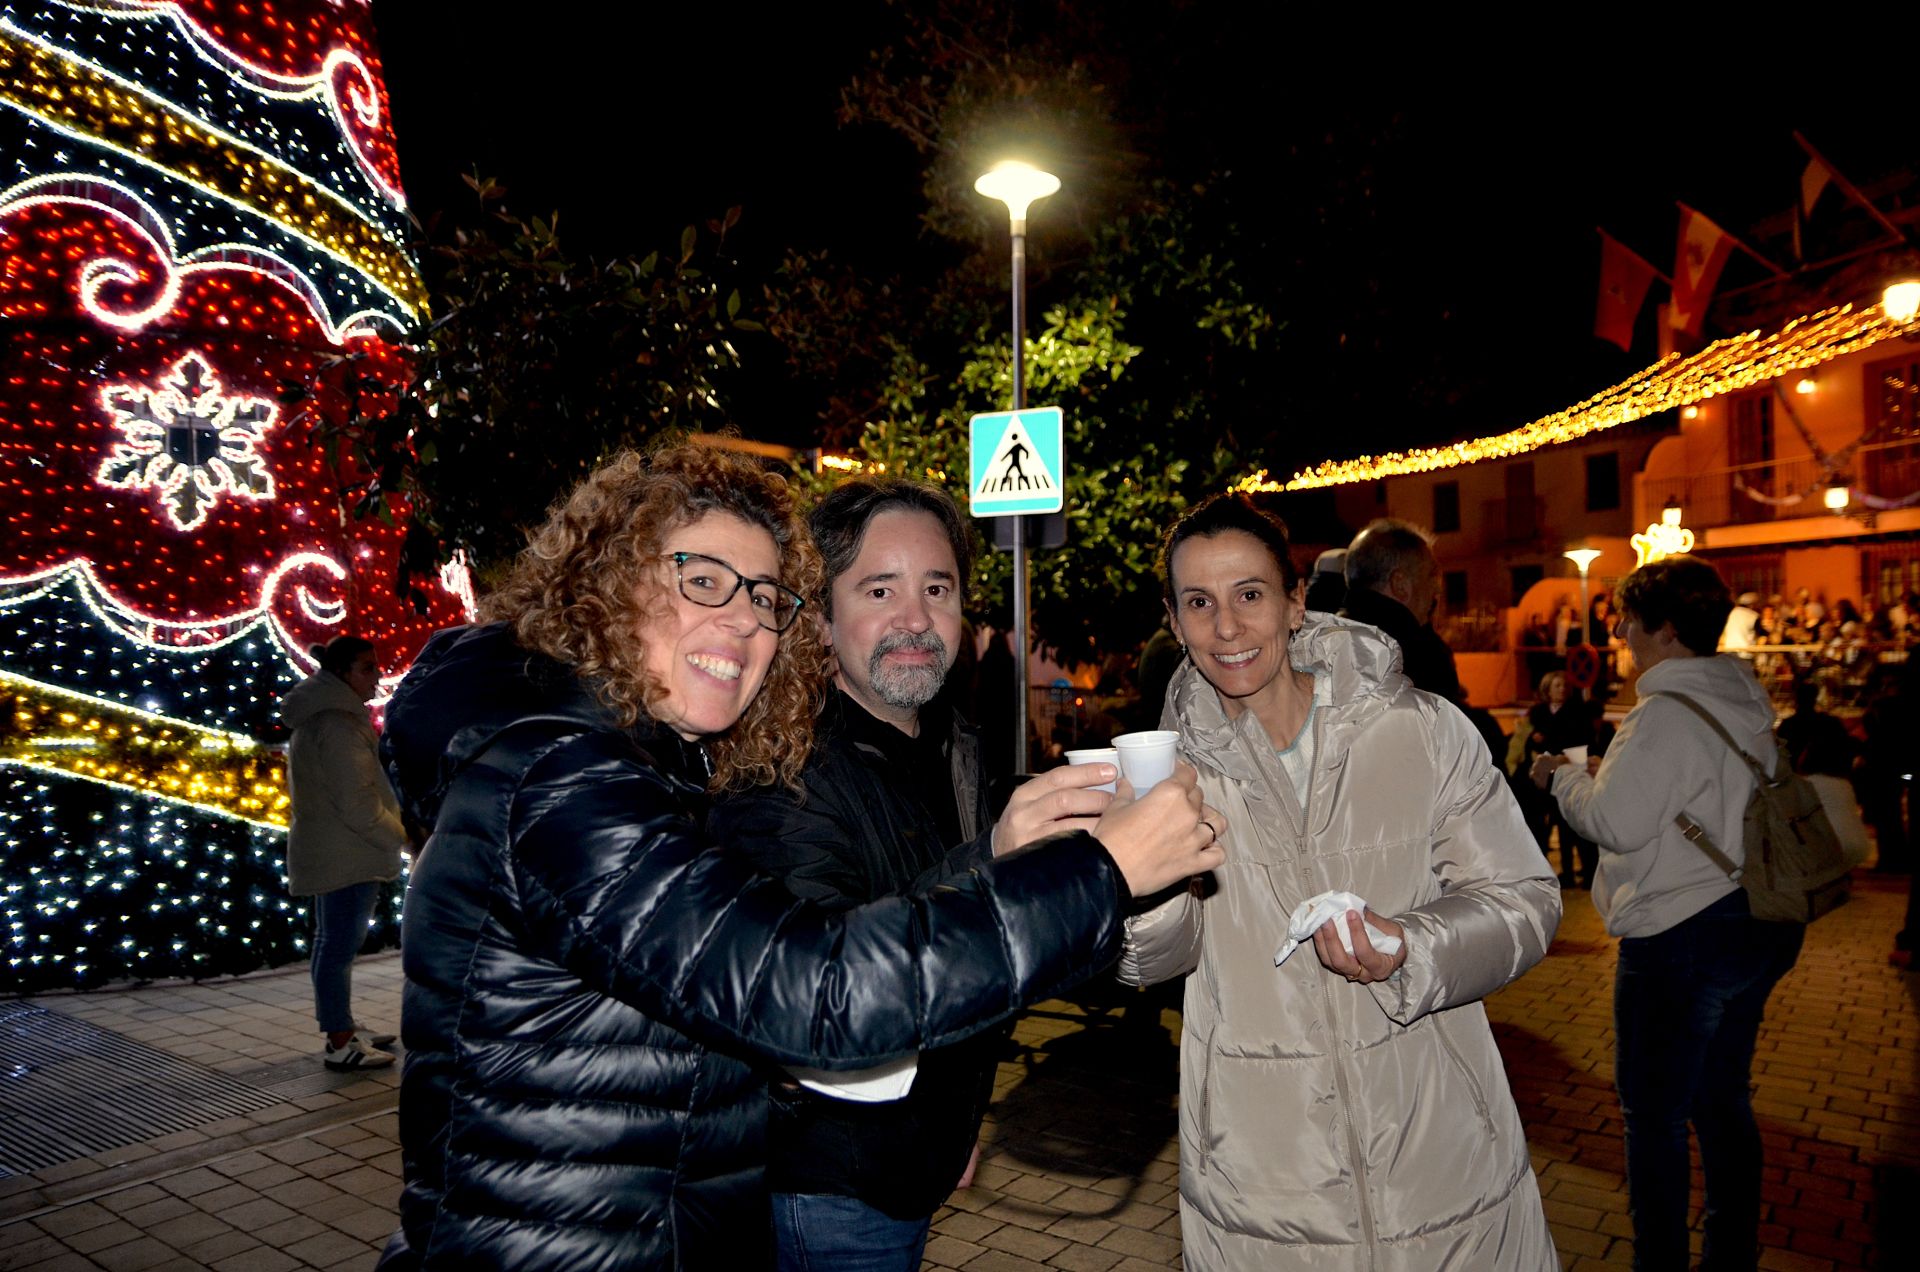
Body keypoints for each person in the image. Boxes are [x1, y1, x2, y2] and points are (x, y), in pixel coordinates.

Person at [374, 443, 1225, 1270]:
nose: (743, 619)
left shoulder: (652, 766)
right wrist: (1097, 869)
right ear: (606, 581)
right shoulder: (560, 781)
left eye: (764, 596)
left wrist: (942, 1124)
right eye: (701, 579)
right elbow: (816, 988)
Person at [1121, 493, 1560, 1270]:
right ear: (1174, 618)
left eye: (1250, 595)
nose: (1226, 628)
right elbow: (1148, 962)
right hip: (1264, 1188)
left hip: (1445, 1170)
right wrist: (1134, 870)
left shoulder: (1421, 730)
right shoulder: (1166, 774)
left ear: (1295, 603)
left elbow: (1526, 899)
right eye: (1199, 603)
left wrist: (1414, 946)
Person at [709, 478, 1115, 1269]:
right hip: (829, 1183)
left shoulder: (953, 742)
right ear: (821, 617)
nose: (915, 619)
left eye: (937, 588)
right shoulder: (782, 766)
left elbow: (989, 962)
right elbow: (823, 989)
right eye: (879, 589)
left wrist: (956, 1116)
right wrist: (999, 853)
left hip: (910, 1155)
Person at [1532, 556, 1804, 1272]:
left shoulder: (1663, 715)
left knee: (1653, 1119)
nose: (1619, 632)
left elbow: (1615, 823)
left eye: (1630, 619)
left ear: (1668, 629)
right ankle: (1730, 1252)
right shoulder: (1742, 696)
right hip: (1754, 921)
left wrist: (1561, 777)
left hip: (1682, 936)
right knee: (1722, 1101)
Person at [283, 635, 407, 1072]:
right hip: (347, 852)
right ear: (342, 673)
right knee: (337, 946)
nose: (377, 676)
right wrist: (404, 838)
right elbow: (359, 804)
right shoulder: (336, 723)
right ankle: (340, 1040)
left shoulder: (327, 716)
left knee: (332, 944)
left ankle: (344, 1026)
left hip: (336, 848)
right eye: (368, 668)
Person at [1511, 670, 1595, 887]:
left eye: (1565, 685)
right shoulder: (1538, 713)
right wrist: (1533, 739)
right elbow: (1525, 741)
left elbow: (1581, 741)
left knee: (1569, 825)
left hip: (1567, 770)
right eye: (1557, 685)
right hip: (1542, 775)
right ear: (1548, 689)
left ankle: (1579, 871)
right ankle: (1547, 871)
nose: (1562, 689)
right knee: (1541, 825)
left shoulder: (1577, 712)